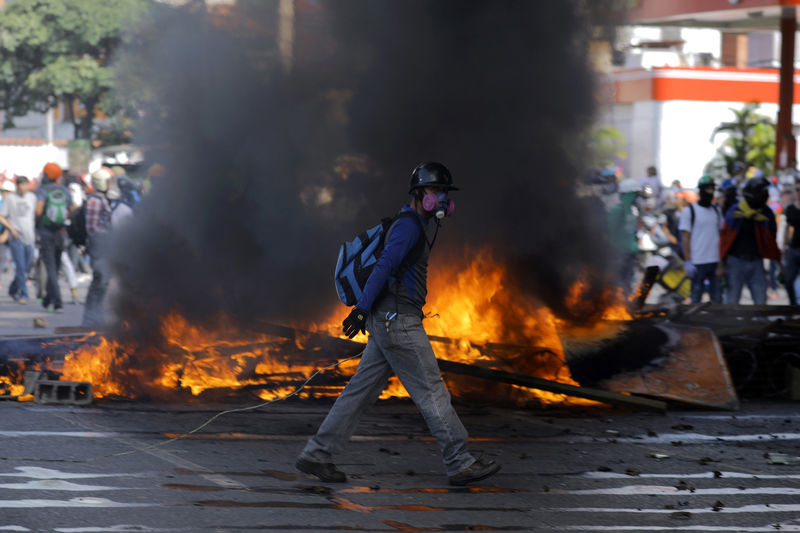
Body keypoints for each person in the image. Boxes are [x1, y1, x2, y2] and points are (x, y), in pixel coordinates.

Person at [296, 162, 500, 487]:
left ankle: (318, 453)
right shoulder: (408, 227)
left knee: (359, 392)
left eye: (445, 193)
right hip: (399, 323)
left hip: (388, 323)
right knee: (432, 391)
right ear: (420, 195)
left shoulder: (415, 224)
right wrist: (361, 310)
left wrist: (367, 313)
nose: (442, 199)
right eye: (436, 192)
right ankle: (460, 462)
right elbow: (383, 266)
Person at [720, 177, 782, 305]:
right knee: (731, 302)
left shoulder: (766, 214)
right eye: (762, 191)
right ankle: (729, 325)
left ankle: (760, 325)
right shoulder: (735, 212)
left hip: (756, 262)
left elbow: (772, 241)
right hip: (735, 262)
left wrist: (779, 263)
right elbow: (724, 240)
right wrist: (720, 264)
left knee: (761, 302)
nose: (766, 195)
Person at [35, 163, 74, 312]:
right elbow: (72, 209)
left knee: (50, 269)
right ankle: (47, 300)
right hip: (61, 233)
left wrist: (38, 222)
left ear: (46, 175)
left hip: (46, 233)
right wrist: (62, 220)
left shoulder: (43, 190)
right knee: (56, 268)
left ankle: (57, 302)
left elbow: (38, 210)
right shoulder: (65, 191)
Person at [678, 175, 722, 304]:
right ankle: (694, 323)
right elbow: (685, 237)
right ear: (701, 190)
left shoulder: (716, 211)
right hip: (697, 262)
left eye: (712, 189)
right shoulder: (689, 211)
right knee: (696, 298)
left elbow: (720, 235)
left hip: (714, 261)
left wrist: (721, 262)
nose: (711, 192)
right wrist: (688, 261)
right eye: (708, 189)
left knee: (717, 299)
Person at [82, 167, 115, 327]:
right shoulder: (95, 201)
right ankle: (90, 318)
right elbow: (93, 227)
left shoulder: (101, 199)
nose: (110, 185)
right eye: (108, 182)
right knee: (99, 281)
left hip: (103, 246)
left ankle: (96, 315)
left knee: (104, 282)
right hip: (98, 247)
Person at [0, 177, 35, 303]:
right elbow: (2, 217)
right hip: (17, 237)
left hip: (30, 237)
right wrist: (11, 229)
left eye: (26, 185)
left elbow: (35, 215)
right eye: (22, 185)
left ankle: (12, 288)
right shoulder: (10, 199)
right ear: (18, 185)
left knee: (26, 267)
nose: (24, 187)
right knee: (20, 267)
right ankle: (23, 294)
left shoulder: (32, 197)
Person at [608, 178, 640, 294]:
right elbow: (611, 230)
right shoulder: (617, 210)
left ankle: (626, 306)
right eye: (634, 194)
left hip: (630, 253)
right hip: (619, 253)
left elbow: (632, 232)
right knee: (620, 282)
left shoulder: (632, 211)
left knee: (628, 281)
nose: (636, 198)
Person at [784, 184, 800, 305]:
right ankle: (793, 306)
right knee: (789, 280)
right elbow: (788, 228)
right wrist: (784, 246)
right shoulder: (790, 208)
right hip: (793, 248)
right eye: (798, 190)